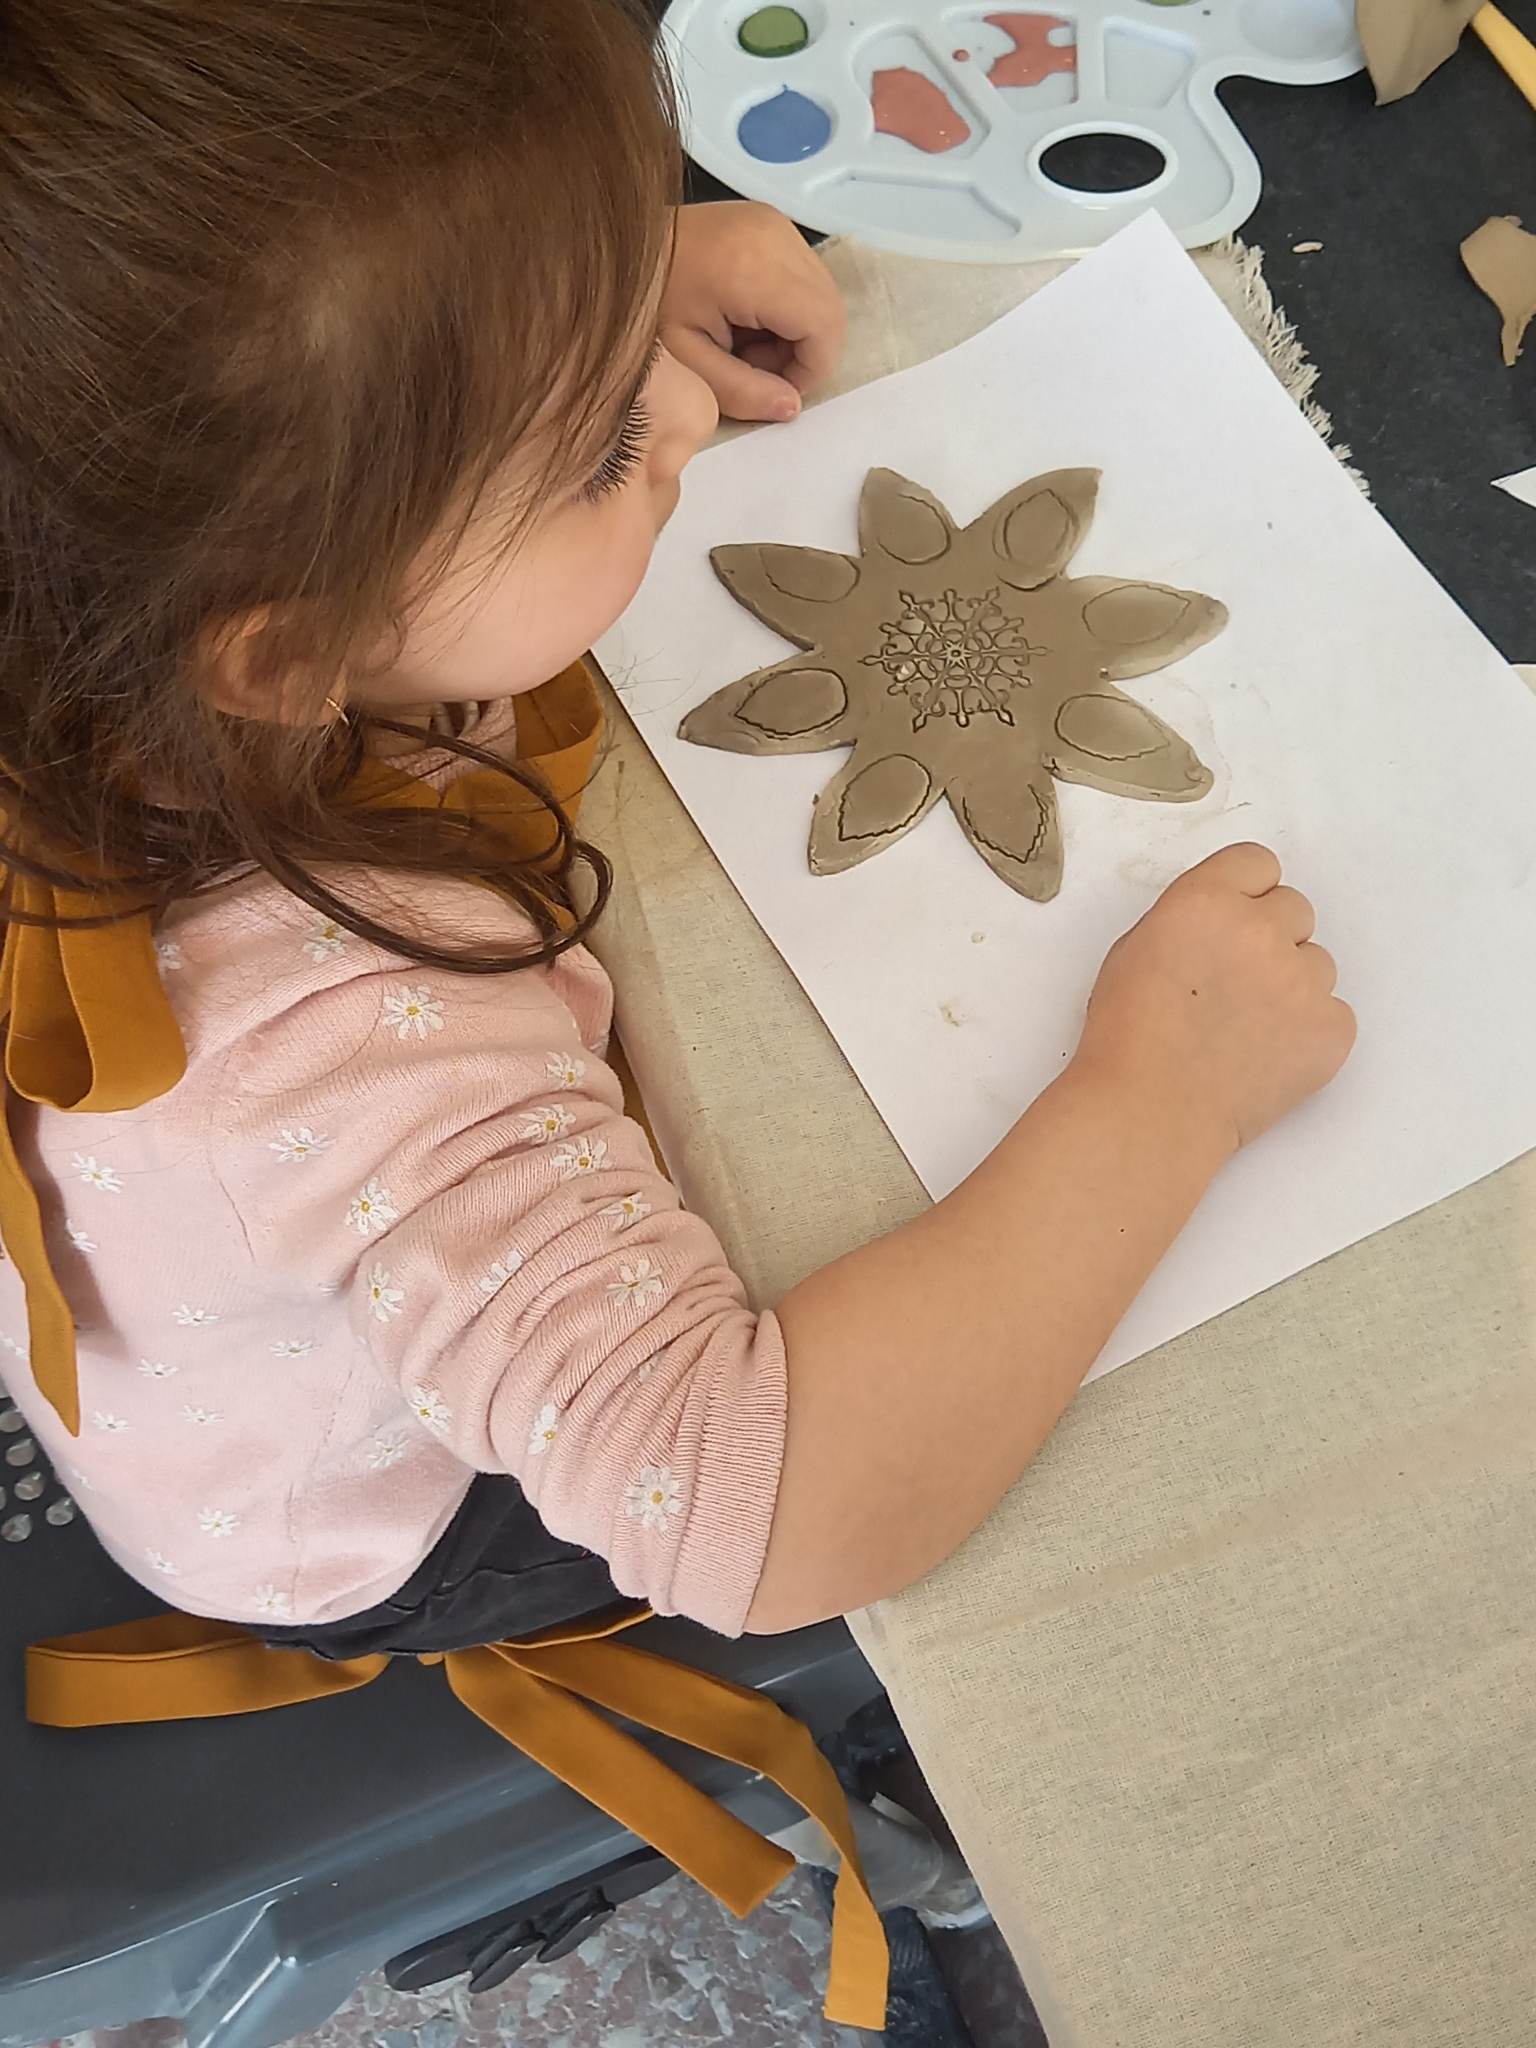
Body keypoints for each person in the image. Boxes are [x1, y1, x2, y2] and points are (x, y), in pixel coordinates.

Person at [0, 0, 1354, 1653]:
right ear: (290, 655)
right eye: (597, 451)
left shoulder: (85, 559)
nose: (690, 415)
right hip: (367, 1511)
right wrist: (1163, 1098)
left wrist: (563, 293)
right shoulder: (340, 1041)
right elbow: (771, 1514)